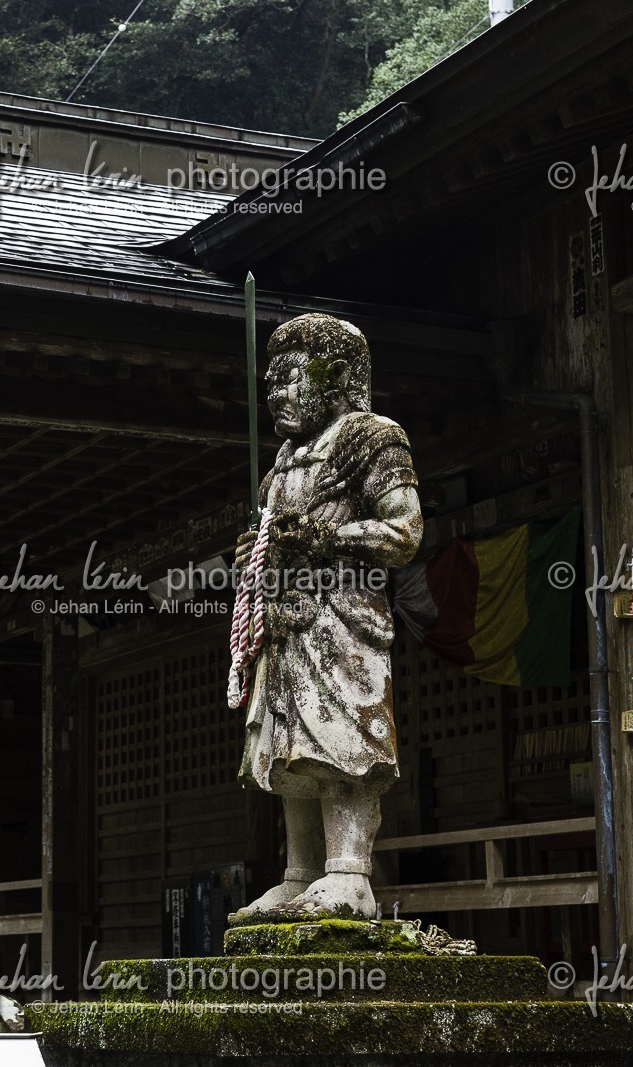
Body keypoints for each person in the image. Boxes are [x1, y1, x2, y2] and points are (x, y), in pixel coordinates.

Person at [232, 313, 423, 920]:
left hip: (341, 616)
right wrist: (257, 549)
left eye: (292, 377)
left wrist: (326, 537)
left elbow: (404, 531)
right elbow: (275, 538)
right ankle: (301, 872)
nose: (278, 395)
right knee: (288, 750)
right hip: (284, 623)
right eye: (271, 383)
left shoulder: (372, 437)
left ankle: (349, 873)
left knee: (341, 741)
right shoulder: (280, 467)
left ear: (336, 376)